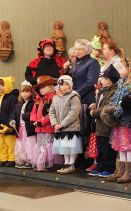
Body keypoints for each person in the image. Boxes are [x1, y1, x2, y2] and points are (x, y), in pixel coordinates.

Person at [72, 39, 100, 168]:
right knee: (77, 129)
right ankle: (78, 157)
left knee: (85, 129)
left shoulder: (92, 62)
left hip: (86, 99)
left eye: (79, 49)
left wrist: (76, 94)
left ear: (87, 50)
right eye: (75, 49)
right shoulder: (76, 63)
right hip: (76, 99)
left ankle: (87, 158)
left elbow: (91, 82)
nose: (76, 51)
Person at [107, 61, 131, 183]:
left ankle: (128, 172)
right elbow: (115, 99)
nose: (119, 71)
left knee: (127, 147)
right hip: (118, 121)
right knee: (120, 147)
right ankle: (120, 171)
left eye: (121, 68)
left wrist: (116, 112)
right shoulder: (120, 84)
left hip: (126, 121)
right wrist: (111, 108)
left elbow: (127, 103)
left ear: (130, 70)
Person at [88, 65, 120, 177]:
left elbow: (107, 106)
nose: (102, 80)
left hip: (107, 123)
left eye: (105, 78)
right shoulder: (103, 91)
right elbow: (99, 104)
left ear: (110, 81)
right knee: (100, 145)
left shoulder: (114, 91)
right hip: (99, 124)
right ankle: (100, 165)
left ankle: (109, 167)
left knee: (107, 146)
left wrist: (94, 112)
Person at [49, 75, 82, 174]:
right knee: (64, 147)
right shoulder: (55, 98)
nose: (64, 87)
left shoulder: (74, 96)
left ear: (71, 85)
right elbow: (51, 112)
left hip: (71, 127)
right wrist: (55, 124)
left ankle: (71, 164)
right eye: (62, 85)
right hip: (59, 127)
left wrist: (62, 124)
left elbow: (74, 112)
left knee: (71, 146)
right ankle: (66, 163)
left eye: (66, 84)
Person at [30, 76, 63, 171]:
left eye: (43, 87)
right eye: (40, 87)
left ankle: (49, 164)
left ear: (51, 86)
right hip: (39, 128)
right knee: (40, 145)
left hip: (49, 127)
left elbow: (52, 113)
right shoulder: (39, 99)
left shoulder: (55, 98)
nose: (41, 89)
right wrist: (33, 120)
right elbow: (33, 111)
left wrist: (41, 122)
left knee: (48, 145)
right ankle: (42, 163)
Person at [9, 80, 36, 169]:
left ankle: (30, 160)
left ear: (31, 92)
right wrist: (12, 120)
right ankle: (23, 159)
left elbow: (33, 114)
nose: (24, 94)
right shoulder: (19, 104)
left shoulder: (33, 103)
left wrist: (24, 116)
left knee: (29, 144)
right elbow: (14, 114)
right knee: (21, 145)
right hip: (20, 128)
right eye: (22, 91)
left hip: (28, 129)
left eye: (27, 91)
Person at [0, 76, 18, 167]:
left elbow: (13, 111)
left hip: (8, 125)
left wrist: (10, 124)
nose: (0, 87)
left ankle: (12, 159)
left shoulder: (12, 97)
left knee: (10, 144)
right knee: (2, 144)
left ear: (7, 85)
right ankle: (3, 158)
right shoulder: (0, 97)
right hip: (1, 126)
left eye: (2, 85)